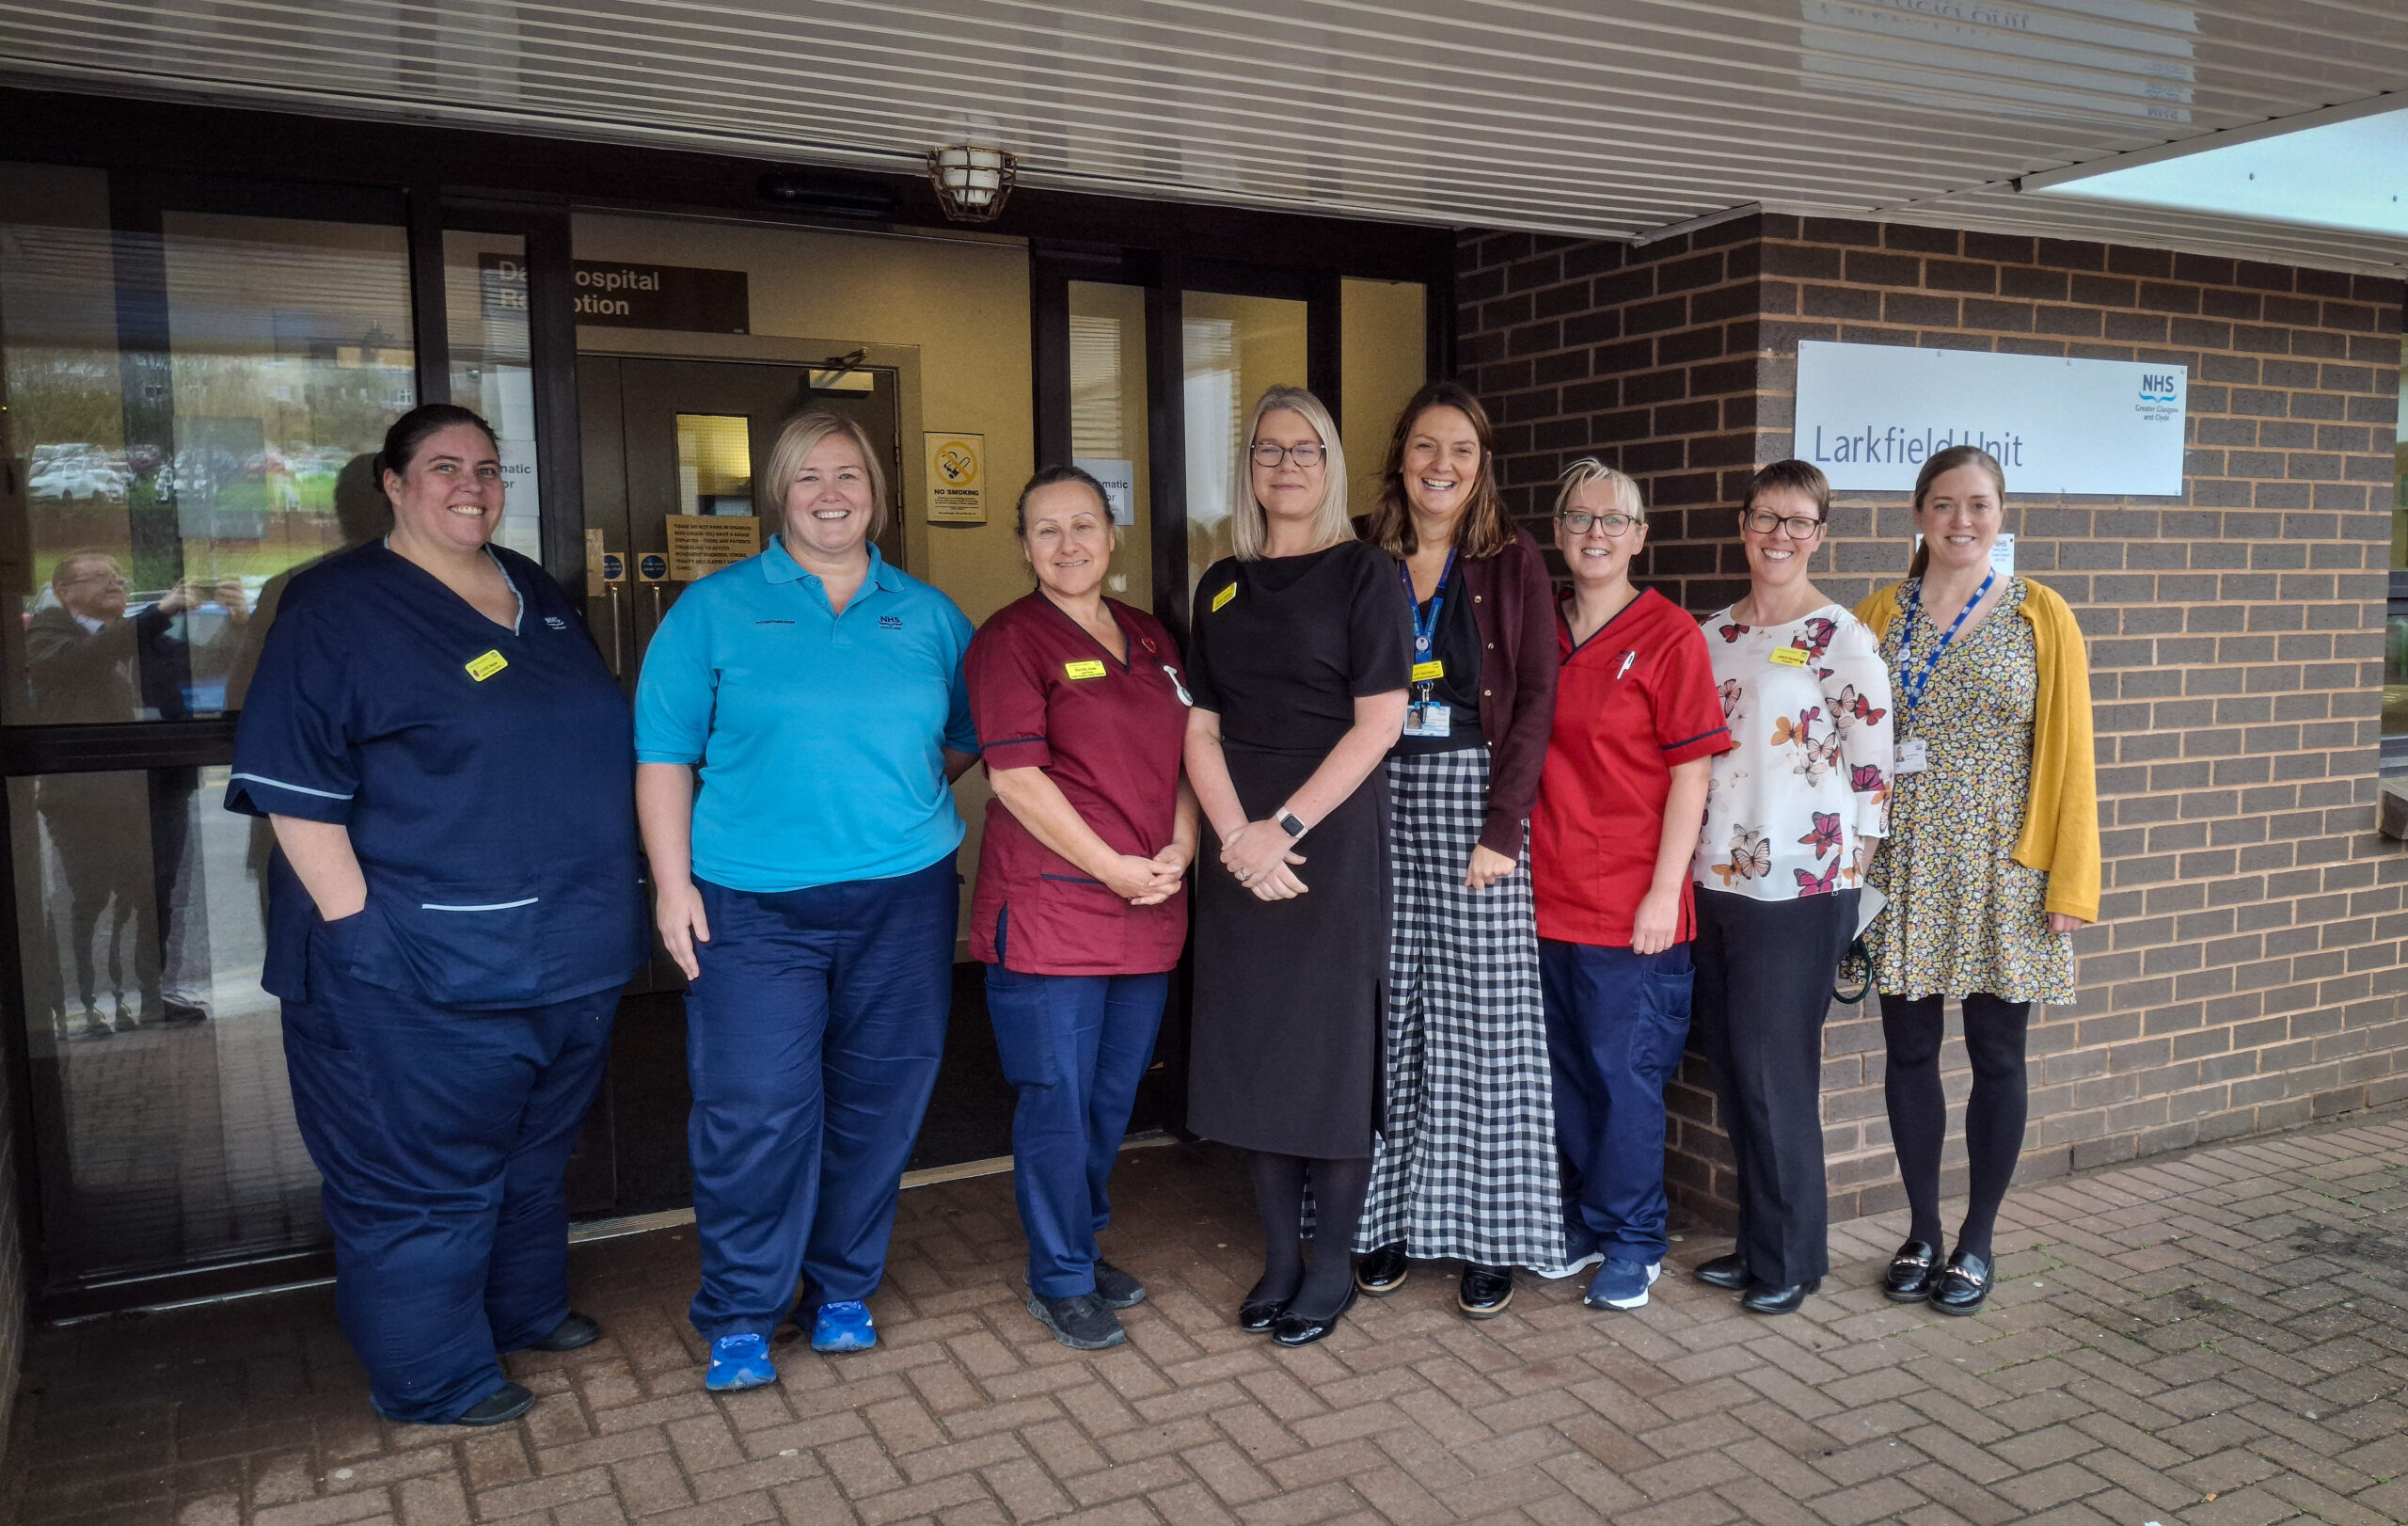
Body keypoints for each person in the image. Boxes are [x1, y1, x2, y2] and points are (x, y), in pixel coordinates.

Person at [227, 403, 645, 1425]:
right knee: (420, 1177)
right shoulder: (335, 607)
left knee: (529, 1157)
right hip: (417, 960)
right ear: (393, 482)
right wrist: (358, 928)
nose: (473, 485)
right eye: (446, 466)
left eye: (489, 468)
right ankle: (434, 1376)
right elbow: (294, 787)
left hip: (564, 951)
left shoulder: (530, 587)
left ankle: (521, 1309)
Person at [636, 409, 978, 1393]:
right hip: (751, 905)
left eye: (849, 476)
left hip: (903, 900)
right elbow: (662, 754)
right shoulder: (713, 609)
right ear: (778, 494)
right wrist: (671, 885)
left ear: (877, 491)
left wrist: (899, 797)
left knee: (878, 1101)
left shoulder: (927, 613)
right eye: (808, 477)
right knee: (754, 1107)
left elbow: (967, 734)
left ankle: (840, 1288)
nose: (831, 495)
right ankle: (743, 1308)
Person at [1184, 384, 1410, 1347]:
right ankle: (1279, 1257)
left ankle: (1329, 1267)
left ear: (1329, 464)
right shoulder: (1220, 583)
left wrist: (1280, 826)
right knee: (1254, 1049)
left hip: (1326, 839)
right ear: (1249, 467)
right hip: (1239, 843)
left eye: (1305, 449)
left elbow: (1380, 723)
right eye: (1269, 449)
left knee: (1326, 1052)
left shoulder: (1366, 573)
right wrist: (1236, 837)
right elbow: (1199, 726)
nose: (1286, 465)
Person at [1854, 445, 2099, 1316]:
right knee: (1909, 1051)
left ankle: (1977, 1240)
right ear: (1919, 513)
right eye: (1945, 504)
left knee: (1997, 1055)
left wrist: (2070, 880)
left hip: (2006, 867)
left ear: (2001, 515)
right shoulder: (1878, 615)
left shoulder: (2042, 614)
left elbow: (2072, 753)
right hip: (1906, 863)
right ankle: (1922, 1230)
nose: (1963, 520)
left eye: (1980, 505)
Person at [966, 465, 1199, 1350]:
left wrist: (1182, 847)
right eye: (1047, 529)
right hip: (1054, 912)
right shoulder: (1010, 640)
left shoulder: (1150, 635)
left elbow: (1189, 754)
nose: (1069, 544)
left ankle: (1081, 1240)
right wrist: (1112, 868)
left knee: (1109, 1099)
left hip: (1146, 907)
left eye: (1084, 525)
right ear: (1025, 547)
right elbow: (1016, 778)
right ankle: (1059, 1273)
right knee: (1056, 1099)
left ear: (1112, 535)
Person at [1351, 382, 1561, 1320]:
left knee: (1485, 1024)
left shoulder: (1512, 558)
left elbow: (1535, 699)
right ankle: (1379, 1219)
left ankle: (1489, 1235)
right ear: (1400, 455)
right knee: (1385, 1014)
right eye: (1427, 447)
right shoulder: (1360, 547)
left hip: (1476, 803)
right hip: (1370, 798)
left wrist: (1502, 827)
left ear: (1482, 466)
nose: (1442, 466)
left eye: (1462, 451)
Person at [1688, 459, 1893, 1316]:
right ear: (1743, 525)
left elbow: (1874, 775)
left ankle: (1793, 1259)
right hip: (1714, 878)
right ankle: (1758, 1242)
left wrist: (1853, 884)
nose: (1780, 535)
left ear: (1819, 535)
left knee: (1777, 1070)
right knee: (1738, 1069)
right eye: (1766, 517)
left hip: (1800, 889)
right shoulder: (1709, 634)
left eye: (1798, 521)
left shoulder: (1841, 637)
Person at [1530, 461, 1732, 1312]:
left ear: (1640, 536)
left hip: (1632, 909)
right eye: (1579, 517)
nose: (1596, 533)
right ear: (1558, 531)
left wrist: (1662, 892)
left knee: (1626, 1079)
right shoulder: (1535, 626)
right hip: (1542, 899)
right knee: (1565, 1075)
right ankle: (1585, 1220)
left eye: (1614, 520)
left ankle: (1635, 1239)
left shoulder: (1670, 635)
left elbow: (1693, 775)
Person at [29, 551, 245, 1035]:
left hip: (155, 789)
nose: (116, 585)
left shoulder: (138, 634)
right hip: (86, 798)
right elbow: (83, 660)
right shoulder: (49, 631)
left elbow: (204, 665)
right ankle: (79, 1008)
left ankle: (150, 997)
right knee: (86, 901)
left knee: (152, 896)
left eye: (119, 578)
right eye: (101, 578)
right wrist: (160, 611)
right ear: (64, 592)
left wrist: (236, 624)